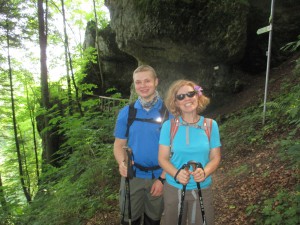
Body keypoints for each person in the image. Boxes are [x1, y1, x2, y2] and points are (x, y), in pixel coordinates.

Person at [158, 79, 221, 225]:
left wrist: (205, 172)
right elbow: (162, 158)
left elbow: (215, 157)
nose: (186, 99)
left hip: (202, 188)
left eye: (190, 94)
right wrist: (176, 173)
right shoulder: (169, 126)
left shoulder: (211, 125)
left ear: (197, 96)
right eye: (180, 96)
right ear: (175, 102)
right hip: (174, 188)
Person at [113, 65, 169, 225]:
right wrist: (122, 163)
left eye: (147, 81)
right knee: (130, 220)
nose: (143, 86)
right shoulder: (127, 112)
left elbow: (175, 149)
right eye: (138, 82)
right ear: (134, 84)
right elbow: (118, 145)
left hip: (158, 176)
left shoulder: (167, 113)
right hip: (132, 176)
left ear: (156, 82)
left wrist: (163, 179)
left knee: (154, 220)